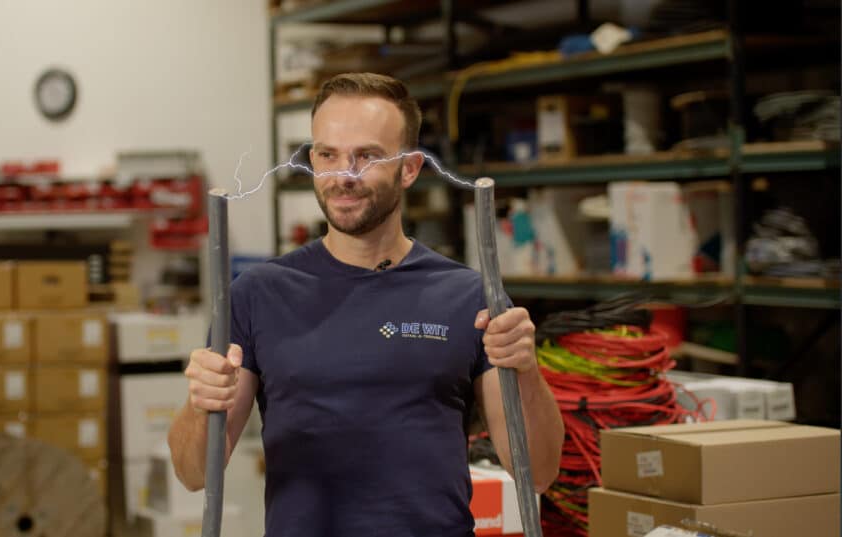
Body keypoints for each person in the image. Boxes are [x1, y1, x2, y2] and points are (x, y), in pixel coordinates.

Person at [168, 72, 564, 537]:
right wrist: (200, 405)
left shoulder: (468, 297)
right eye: (328, 155)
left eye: (368, 156)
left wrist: (526, 368)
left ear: (411, 167)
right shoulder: (258, 295)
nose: (344, 176)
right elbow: (194, 475)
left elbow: (539, 472)